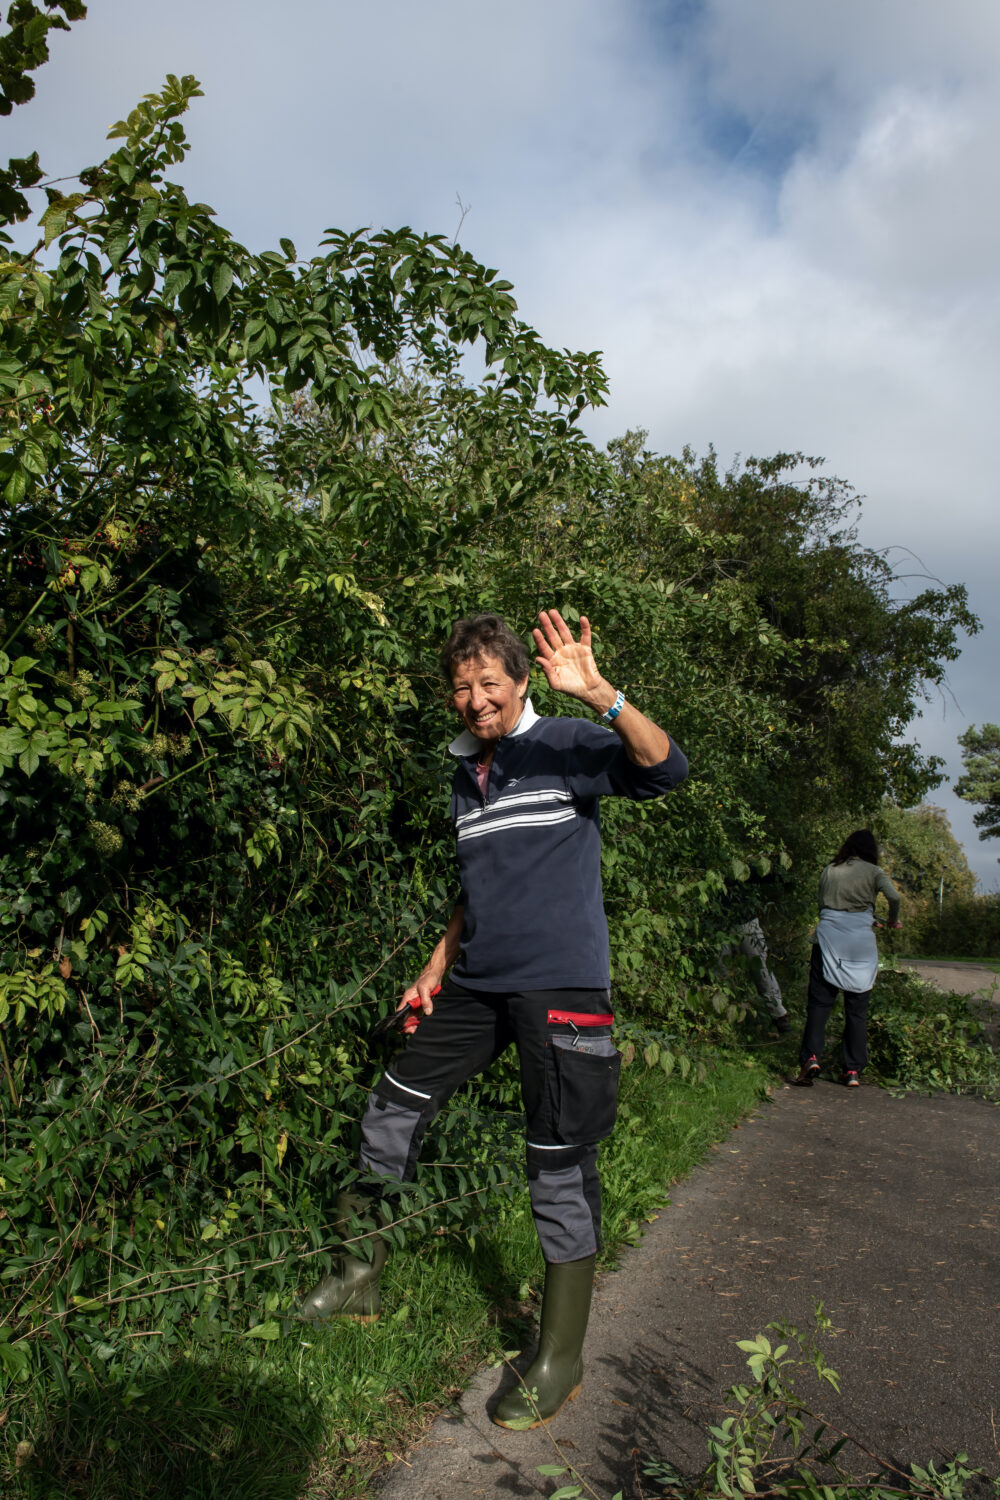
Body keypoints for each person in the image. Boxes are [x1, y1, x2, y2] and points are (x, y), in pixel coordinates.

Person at [300, 608, 688, 1429]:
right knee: (390, 1108)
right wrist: (438, 965)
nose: (475, 700)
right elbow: (477, 884)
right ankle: (355, 1273)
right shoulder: (463, 772)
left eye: (488, 684)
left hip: (562, 989)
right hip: (476, 987)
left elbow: (665, 767)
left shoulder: (567, 746)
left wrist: (601, 694)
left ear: (519, 681)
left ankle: (557, 1356)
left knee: (556, 1159)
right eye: (461, 688)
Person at [793, 829, 901, 1088]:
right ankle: (852, 1070)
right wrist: (892, 921)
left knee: (819, 1004)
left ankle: (811, 1058)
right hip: (860, 944)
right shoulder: (875, 872)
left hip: (828, 940)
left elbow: (824, 907)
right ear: (870, 850)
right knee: (857, 1009)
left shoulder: (830, 870)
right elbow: (894, 897)